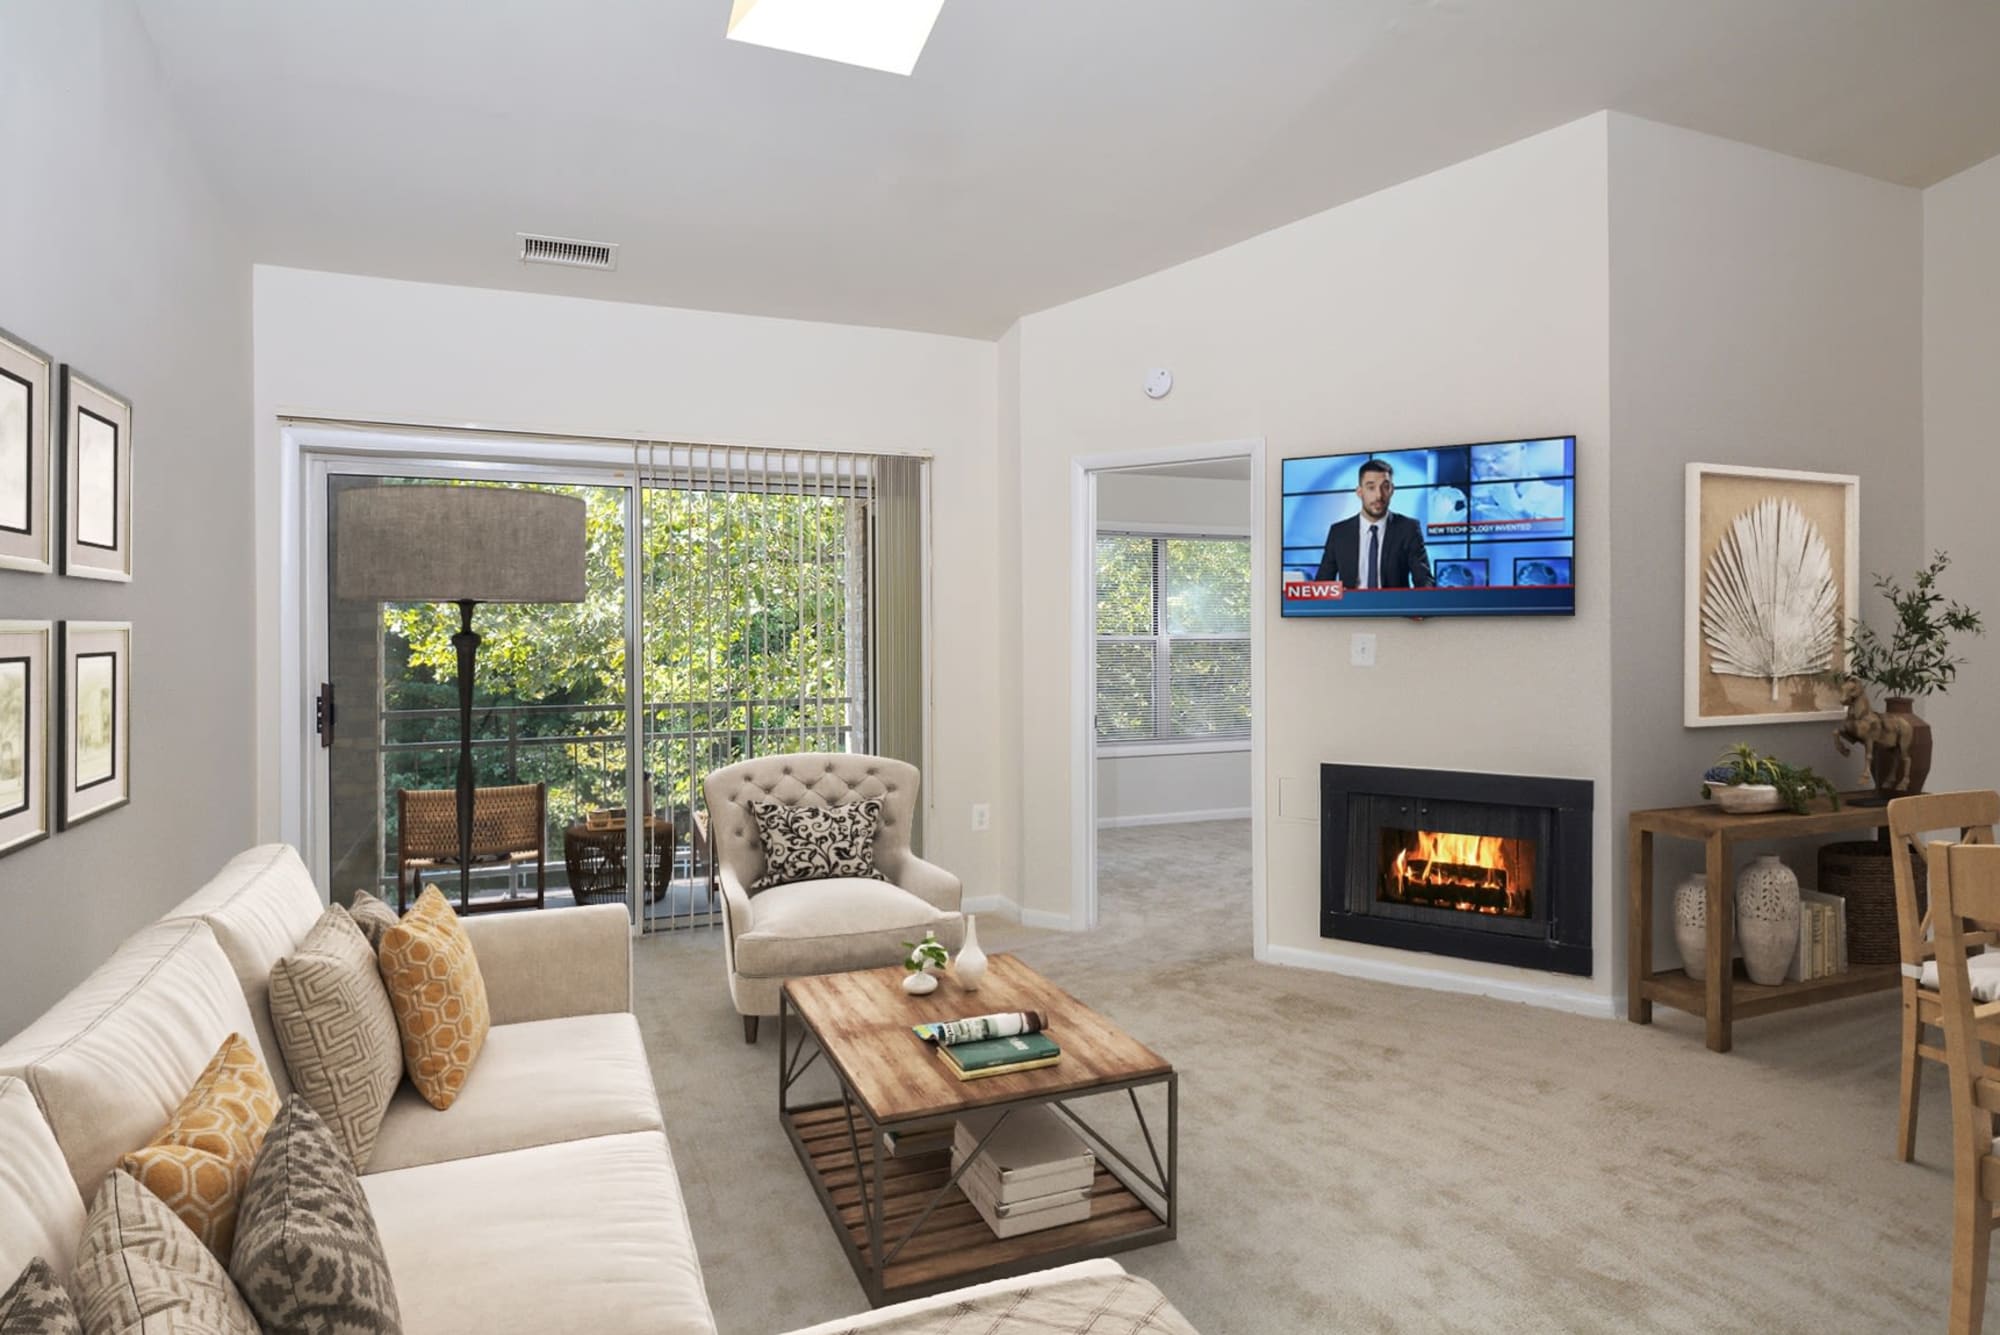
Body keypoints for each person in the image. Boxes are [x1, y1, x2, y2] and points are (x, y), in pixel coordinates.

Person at [1313, 459, 1434, 588]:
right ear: (1360, 492)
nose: (1379, 495)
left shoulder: (1408, 529)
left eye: (1385, 487)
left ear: (1392, 490)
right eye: (1371, 487)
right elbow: (1322, 585)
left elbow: (1424, 582)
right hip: (1351, 606)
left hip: (1394, 607)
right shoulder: (1339, 533)